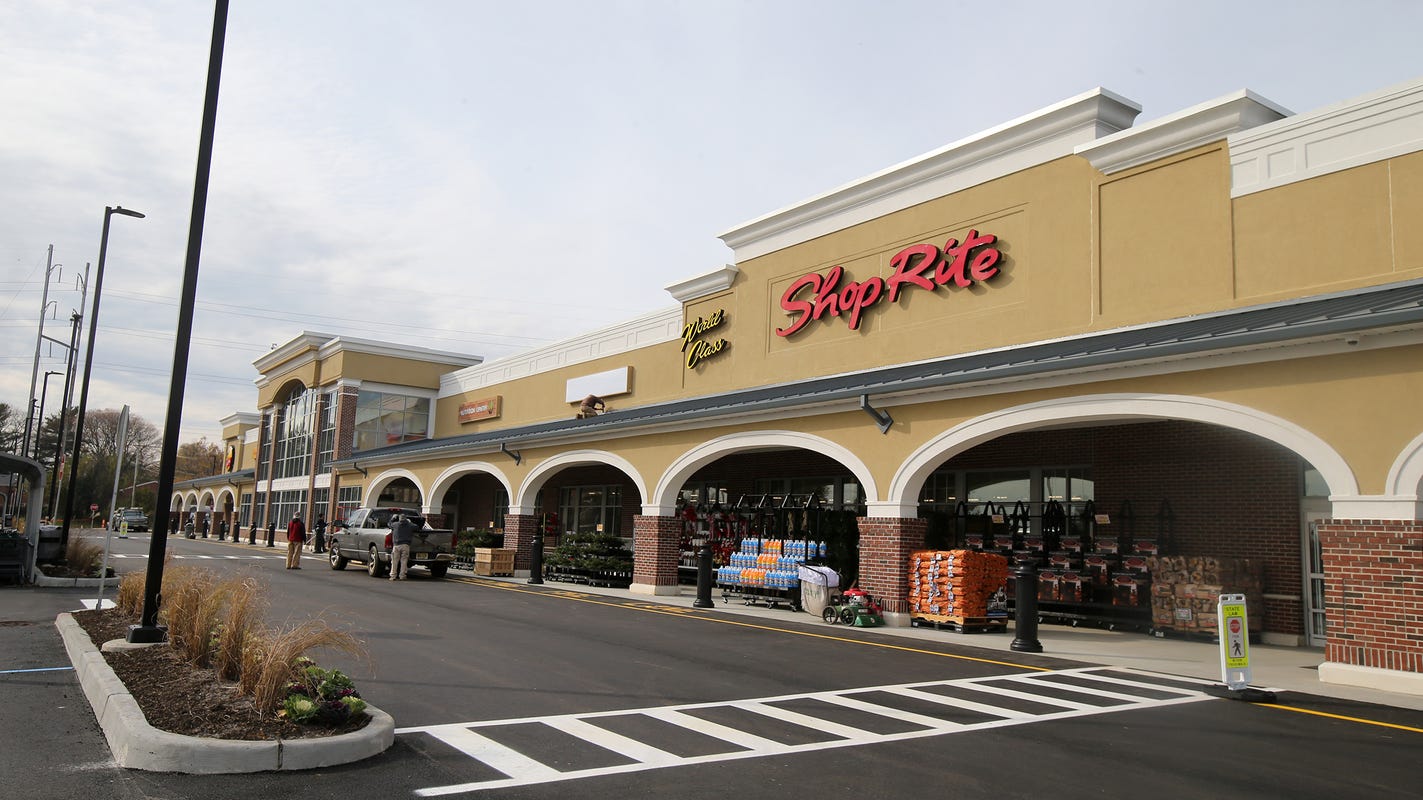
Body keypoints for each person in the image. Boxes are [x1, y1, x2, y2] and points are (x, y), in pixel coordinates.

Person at [389, 513, 415, 580]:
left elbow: (389, 524)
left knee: (394, 561)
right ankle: (402, 575)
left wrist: (393, 518)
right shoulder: (410, 525)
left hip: (396, 545)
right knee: (404, 561)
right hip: (406, 545)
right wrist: (410, 522)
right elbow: (417, 527)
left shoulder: (395, 525)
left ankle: (393, 576)